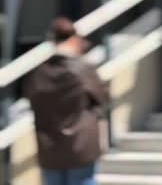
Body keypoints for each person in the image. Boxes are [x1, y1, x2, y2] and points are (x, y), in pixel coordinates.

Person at [26, 17, 109, 185]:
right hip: (81, 146)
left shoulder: (40, 73)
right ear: (73, 39)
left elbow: (33, 103)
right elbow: (103, 98)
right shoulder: (82, 69)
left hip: (50, 148)